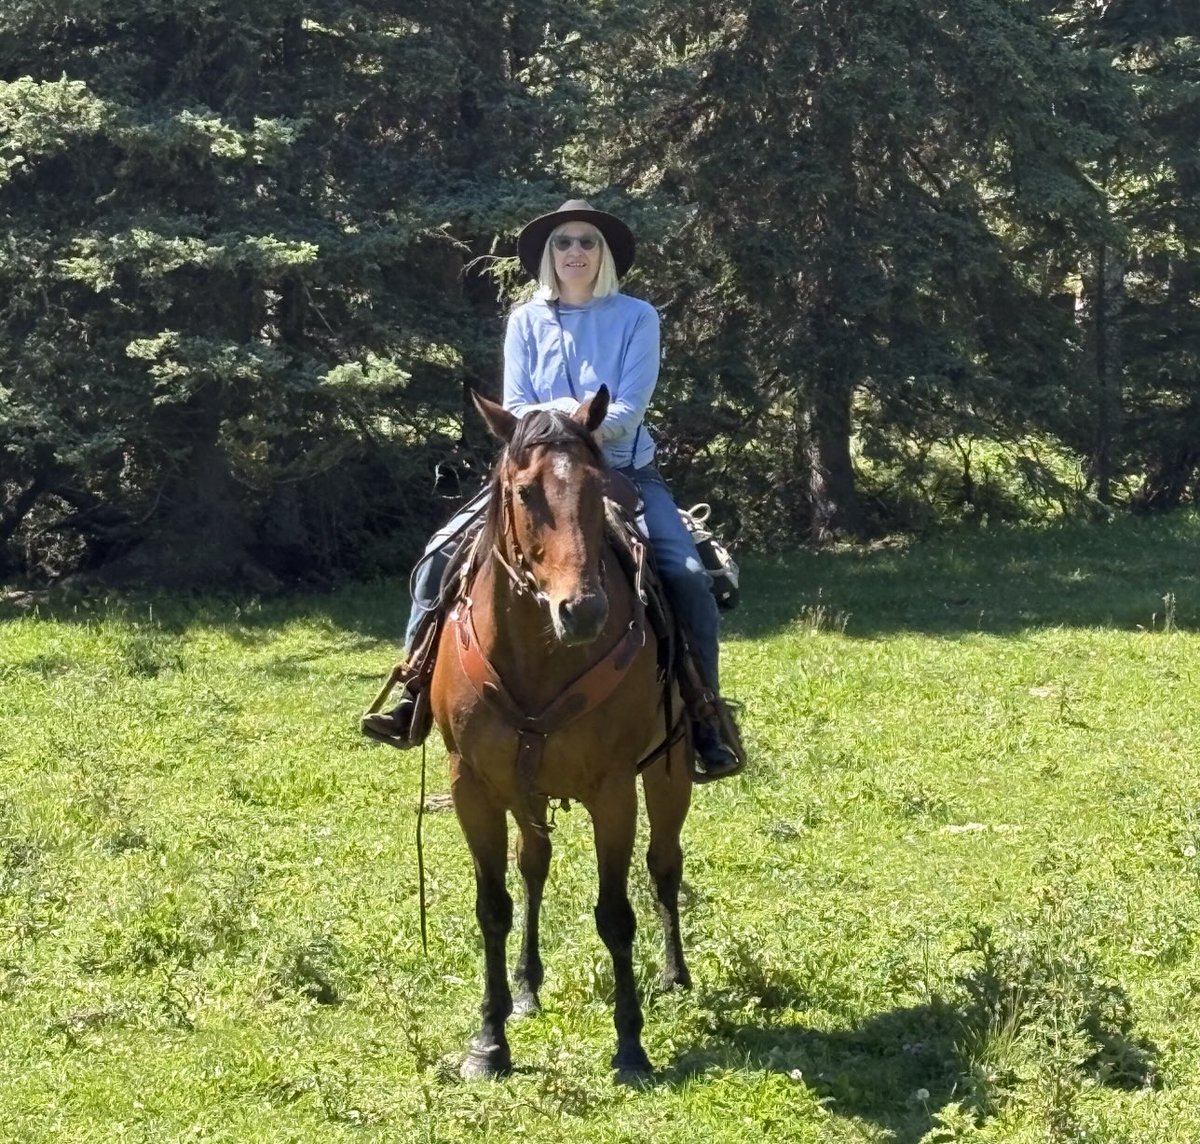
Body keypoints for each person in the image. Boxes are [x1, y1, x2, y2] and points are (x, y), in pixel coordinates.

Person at [362, 198, 744, 781]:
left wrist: (562, 415)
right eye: (563, 242)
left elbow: (630, 409)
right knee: (439, 556)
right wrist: (565, 418)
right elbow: (514, 406)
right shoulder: (525, 320)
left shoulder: (639, 317)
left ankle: (705, 715)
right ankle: (413, 692)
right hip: (534, 474)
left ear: (604, 254)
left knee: (688, 577)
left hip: (621, 470)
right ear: (549, 254)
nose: (574, 251)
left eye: (587, 241)